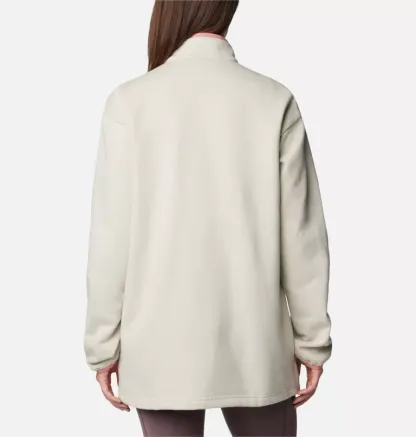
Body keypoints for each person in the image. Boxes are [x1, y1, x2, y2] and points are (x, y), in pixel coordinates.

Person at [84, 1, 332, 435]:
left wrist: (101, 347)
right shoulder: (273, 99)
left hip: (158, 351)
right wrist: (312, 342)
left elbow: (111, 238)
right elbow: (302, 237)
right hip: (256, 347)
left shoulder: (129, 102)